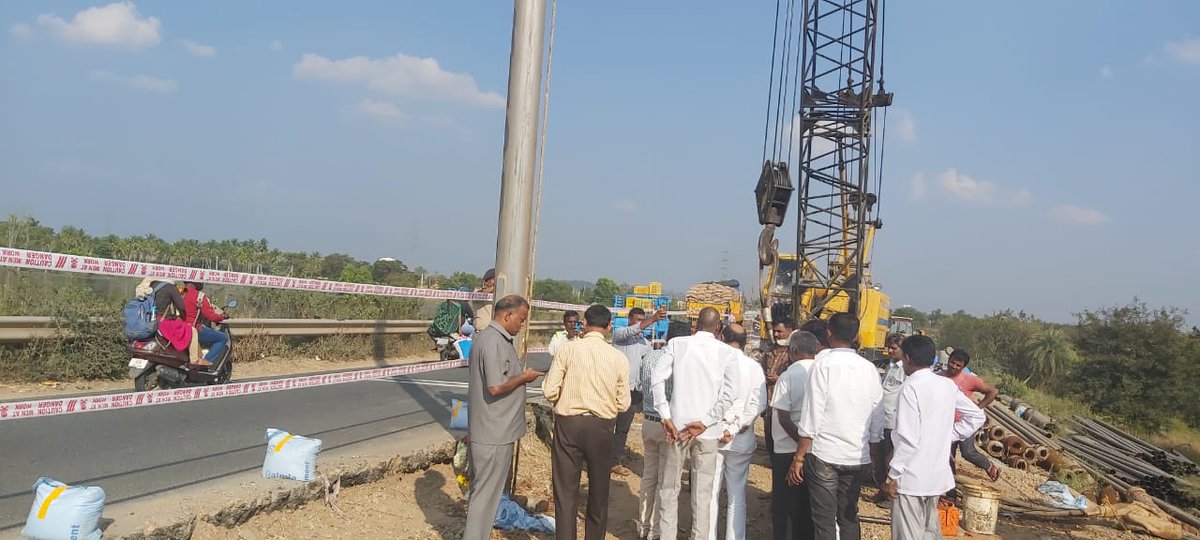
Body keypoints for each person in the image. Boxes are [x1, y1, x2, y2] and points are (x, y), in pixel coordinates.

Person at [789, 312, 883, 540]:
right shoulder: (869, 368)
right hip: (856, 455)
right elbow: (877, 416)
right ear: (856, 335)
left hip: (825, 455)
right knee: (849, 516)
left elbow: (812, 415)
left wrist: (799, 457)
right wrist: (872, 454)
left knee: (824, 521)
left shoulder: (822, 365)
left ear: (829, 333)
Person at [541, 305, 630, 540]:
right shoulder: (618, 358)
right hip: (601, 428)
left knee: (565, 492)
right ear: (609, 326)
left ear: (584, 323)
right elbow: (624, 404)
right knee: (599, 491)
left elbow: (549, 390)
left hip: (568, 425)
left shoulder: (568, 350)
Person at [885, 335, 986, 540]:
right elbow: (977, 416)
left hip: (912, 476)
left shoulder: (910, 387)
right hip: (936, 475)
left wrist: (893, 475)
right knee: (929, 530)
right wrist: (949, 434)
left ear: (908, 358)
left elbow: (908, 437)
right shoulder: (946, 385)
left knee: (908, 534)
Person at [650, 307, 738, 540]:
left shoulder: (678, 344)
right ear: (719, 328)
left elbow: (657, 378)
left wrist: (665, 415)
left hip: (677, 427)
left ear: (696, 324)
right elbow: (729, 394)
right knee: (702, 493)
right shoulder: (727, 352)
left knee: (669, 488)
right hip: (708, 432)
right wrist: (707, 422)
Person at [462, 294, 544, 540]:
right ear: (507, 316)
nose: (522, 325)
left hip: (493, 429)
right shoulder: (494, 342)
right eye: (521, 319)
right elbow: (496, 387)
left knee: (488, 495)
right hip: (493, 432)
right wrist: (524, 377)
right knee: (485, 496)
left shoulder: (490, 338)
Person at [710, 323, 767, 540]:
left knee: (710, 493)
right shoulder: (753, 367)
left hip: (713, 435)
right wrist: (735, 427)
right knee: (737, 495)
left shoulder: (714, 363)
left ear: (722, 336)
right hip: (741, 438)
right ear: (745, 343)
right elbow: (758, 404)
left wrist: (723, 427)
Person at [636, 321, 690, 540]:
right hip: (669, 425)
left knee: (649, 475)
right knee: (666, 480)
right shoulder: (680, 361)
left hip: (648, 422)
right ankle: (657, 531)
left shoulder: (649, 357)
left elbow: (642, 386)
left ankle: (643, 525)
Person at [770, 331, 820, 540]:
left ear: (793, 352)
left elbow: (782, 417)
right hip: (813, 450)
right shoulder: (821, 373)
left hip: (787, 449)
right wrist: (806, 445)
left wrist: (799, 443)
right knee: (807, 506)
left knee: (785, 506)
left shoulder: (788, 376)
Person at [612, 305, 667, 475]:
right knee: (606, 426)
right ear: (630, 320)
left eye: (641, 321)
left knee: (622, 428)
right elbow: (630, 332)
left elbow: (650, 362)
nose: (640, 325)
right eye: (637, 321)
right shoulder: (620, 336)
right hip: (615, 389)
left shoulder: (644, 343)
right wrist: (652, 319)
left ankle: (613, 461)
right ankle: (599, 457)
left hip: (634, 391)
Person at [940, 349, 1001, 481]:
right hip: (946, 424)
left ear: (963, 367)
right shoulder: (939, 377)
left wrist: (977, 409)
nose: (954, 367)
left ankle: (989, 466)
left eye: (958, 365)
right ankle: (950, 492)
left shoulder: (969, 380)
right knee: (947, 456)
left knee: (968, 452)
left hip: (965, 424)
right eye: (953, 363)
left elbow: (993, 391)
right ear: (949, 360)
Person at [869, 333, 907, 507]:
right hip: (883, 416)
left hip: (894, 419)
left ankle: (891, 495)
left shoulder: (905, 370)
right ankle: (882, 490)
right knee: (881, 455)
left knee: (890, 458)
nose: (889, 351)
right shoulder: (891, 366)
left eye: (893, 348)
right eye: (889, 347)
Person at [762, 319, 795, 456]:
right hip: (769, 399)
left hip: (783, 401)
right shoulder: (770, 350)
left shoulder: (793, 352)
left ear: (789, 331)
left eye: (780, 331)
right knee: (769, 433)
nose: (776, 334)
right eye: (775, 331)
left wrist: (779, 379)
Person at [181, 281, 228, 367]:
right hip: (194, 329)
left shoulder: (179, 293)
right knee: (222, 338)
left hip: (179, 328)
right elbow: (211, 316)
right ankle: (205, 363)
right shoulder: (199, 296)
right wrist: (222, 317)